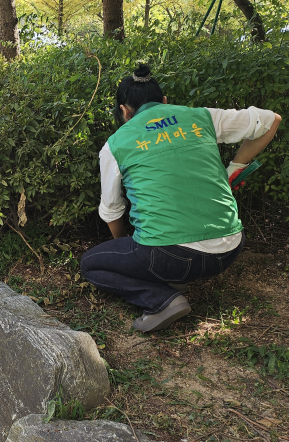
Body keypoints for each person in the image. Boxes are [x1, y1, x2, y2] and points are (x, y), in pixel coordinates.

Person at [81, 64, 282, 333]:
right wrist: (234, 170)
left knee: (90, 265)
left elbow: (111, 212)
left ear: (124, 111)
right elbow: (271, 120)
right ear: (164, 101)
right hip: (230, 247)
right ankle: (170, 276)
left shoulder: (116, 144)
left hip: (167, 255)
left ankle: (161, 299)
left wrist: (132, 256)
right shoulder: (201, 117)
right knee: (168, 253)